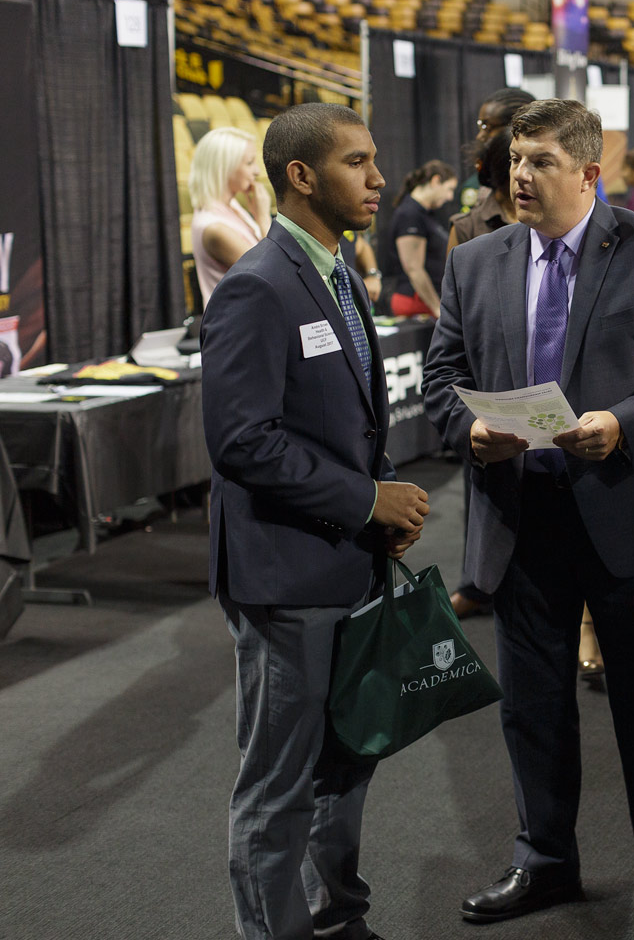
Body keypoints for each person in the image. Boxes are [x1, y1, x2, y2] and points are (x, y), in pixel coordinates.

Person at [423, 98, 634, 937]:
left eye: (541, 161)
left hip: (628, 512)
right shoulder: (476, 261)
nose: (520, 175)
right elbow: (444, 376)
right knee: (532, 705)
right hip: (521, 516)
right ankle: (544, 859)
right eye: (517, 159)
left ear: (590, 173)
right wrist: (471, 432)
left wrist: (622, 424)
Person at [200, 102, 431, 940]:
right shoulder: (259, 286)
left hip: (349, 563)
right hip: (287, 575)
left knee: (345, 764)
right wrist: (367, 501)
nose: (378, 179)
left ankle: (339, 919)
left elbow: (347, 422)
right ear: (302, 176)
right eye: (358, 163)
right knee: (279, 783)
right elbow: (241, 442)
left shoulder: (336, 272)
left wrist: (385, 498)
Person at [189, 127, 270, 304]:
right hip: (237, 326)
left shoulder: (230, 205)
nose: (256, 171)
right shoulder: (214, 228)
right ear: (225, 167)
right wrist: (263, 217)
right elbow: (272, 274)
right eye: (249, 163)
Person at [380, 160, 456, 317]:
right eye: (449, 189)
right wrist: (437, 309)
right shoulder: (409, 214)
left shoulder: (426, 215)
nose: (450, 197)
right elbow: (413, 268)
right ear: (435, 181)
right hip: (414, 302)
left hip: (427, 302)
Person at [459, 87, 536, 213]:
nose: (480, 136)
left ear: (515, 126)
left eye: (487, 126)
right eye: (481, 125)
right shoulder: (479, 183)